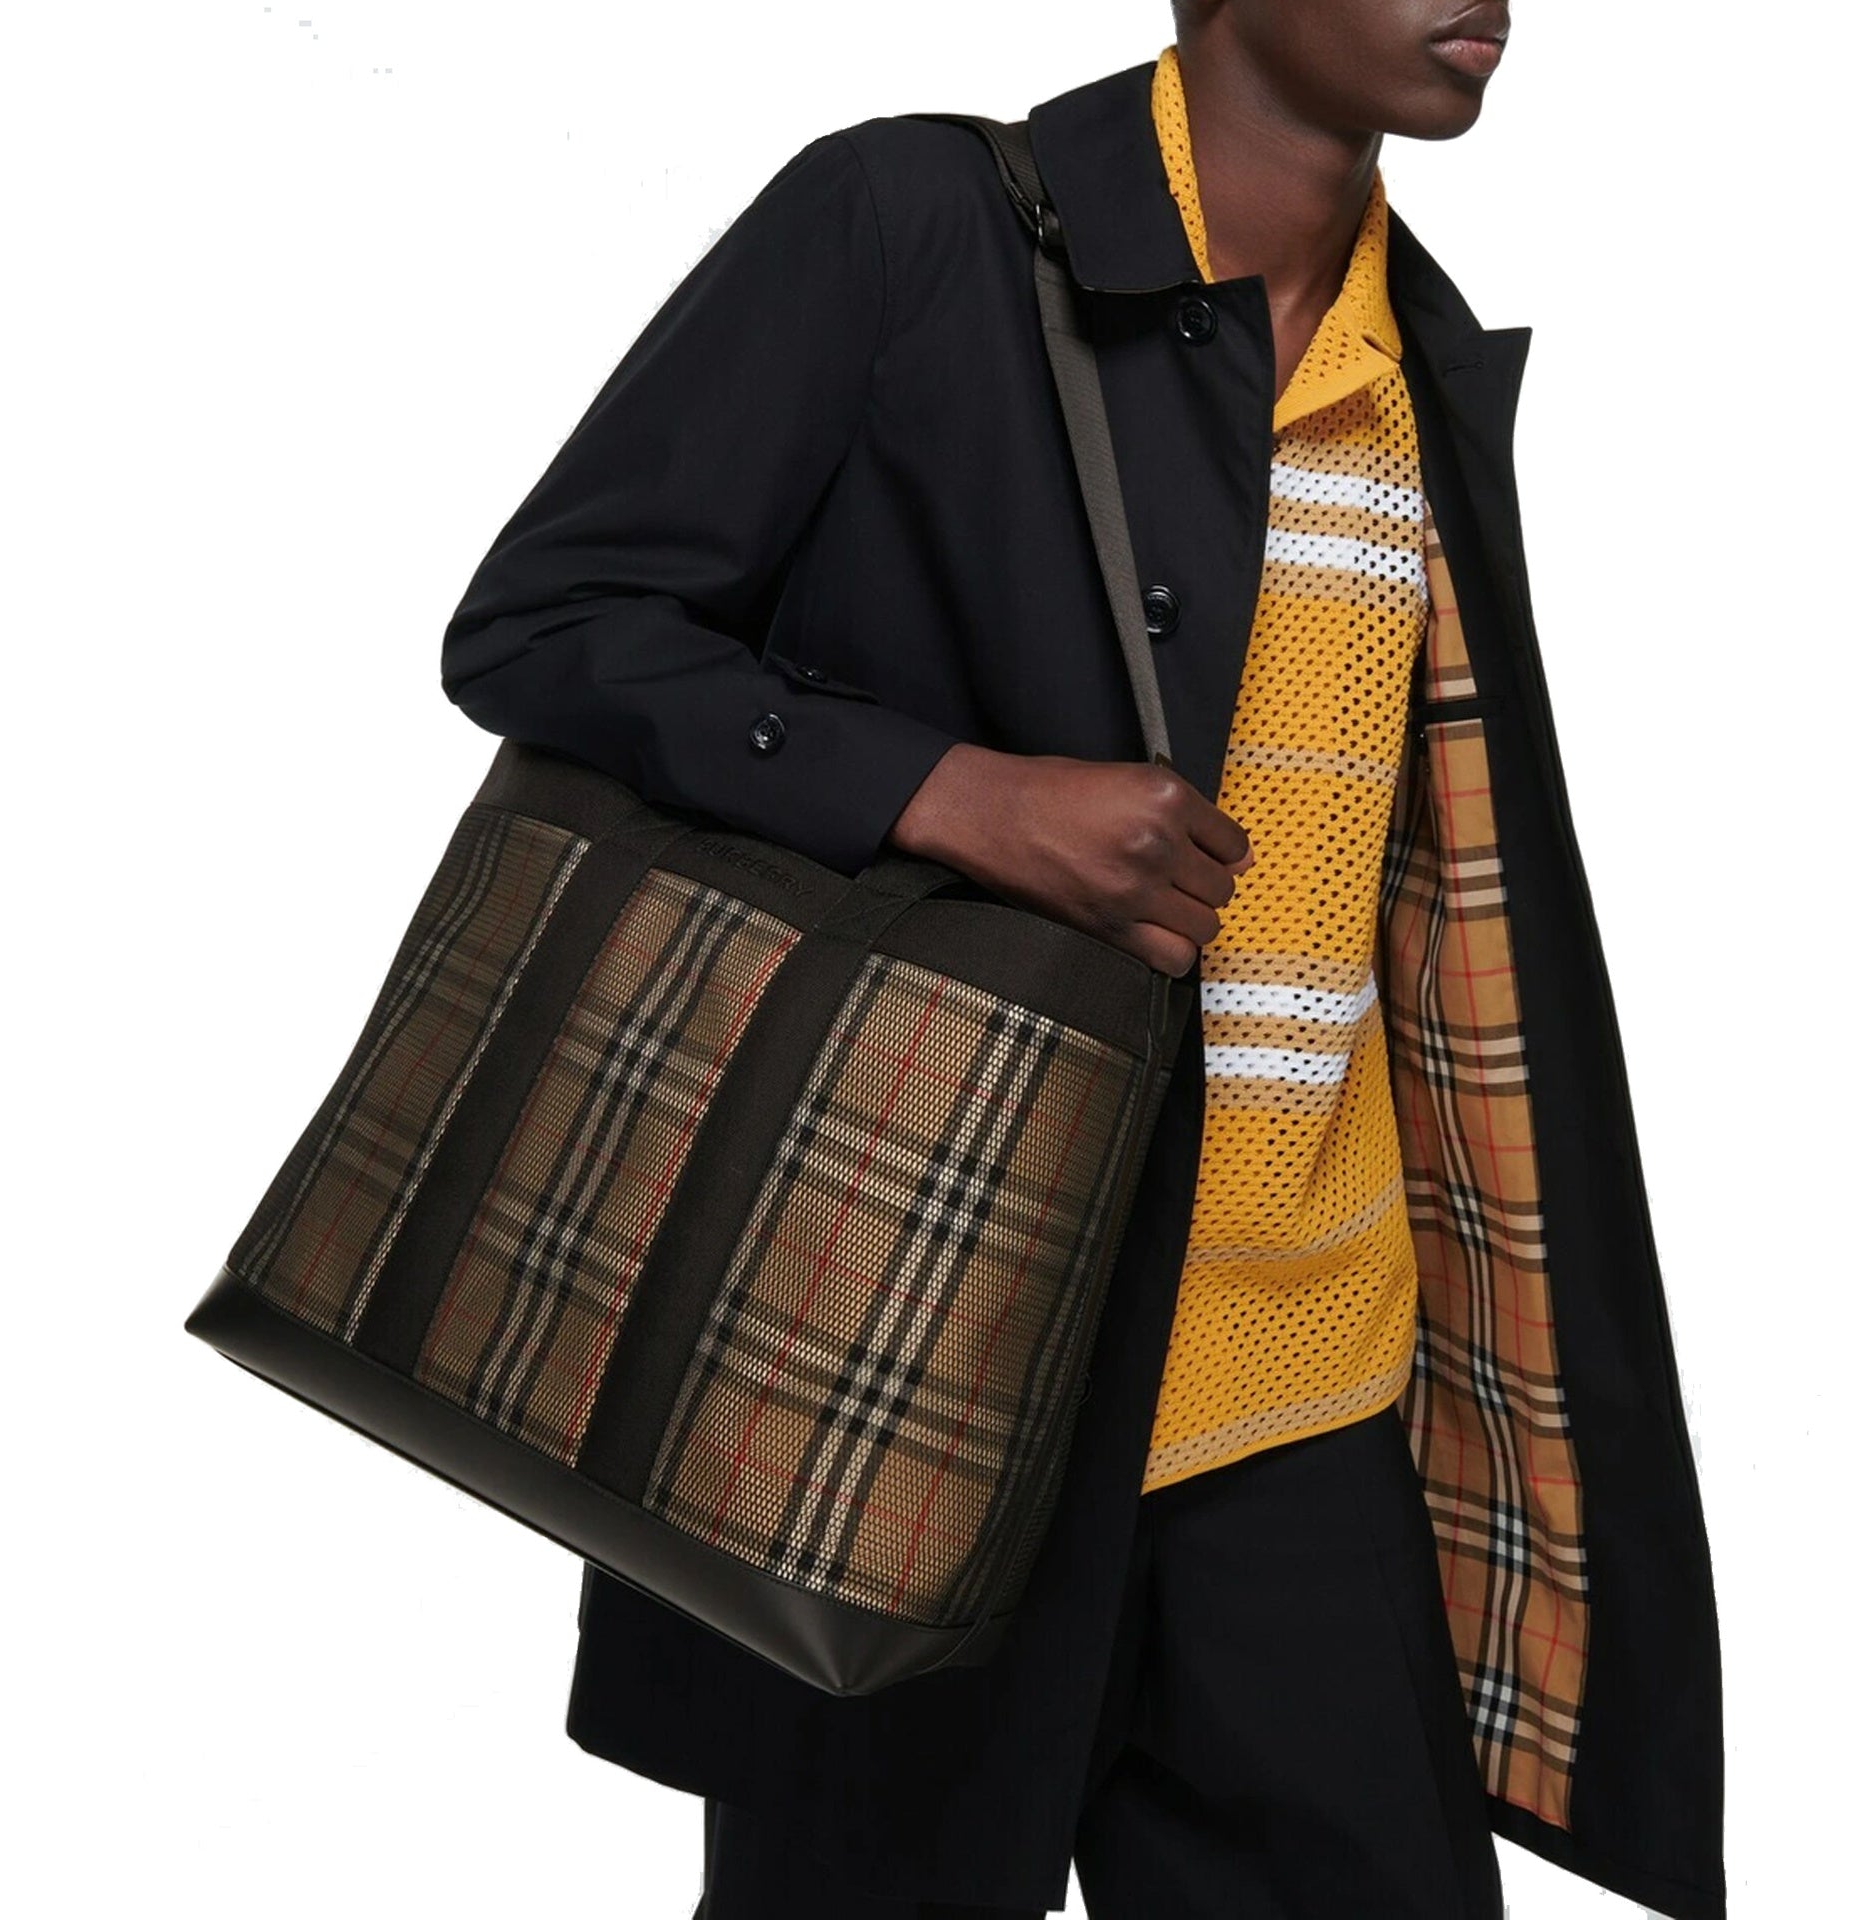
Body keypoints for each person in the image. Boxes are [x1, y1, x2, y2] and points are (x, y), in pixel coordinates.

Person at [439, 5, 1727, 1917]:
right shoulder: (911, 224)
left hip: (1305, 1389)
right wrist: (952, 794)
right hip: (912, 1355)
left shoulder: (1418, 355)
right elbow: (546, 626)